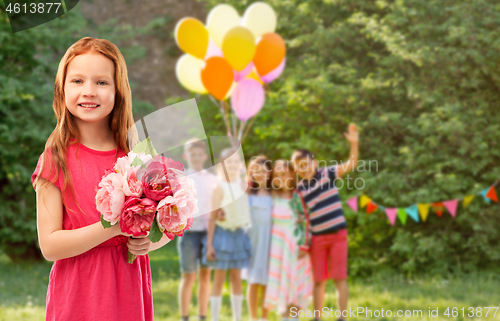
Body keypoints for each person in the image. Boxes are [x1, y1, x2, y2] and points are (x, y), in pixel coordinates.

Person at [31, 37, 172, 321]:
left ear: (119, 90)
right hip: (78, 296)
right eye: (78, 81)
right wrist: (114, 227)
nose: (89, 91)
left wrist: (149, 243)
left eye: (102, 82)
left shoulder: (138, 154)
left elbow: (166, 226)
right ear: (62, 89)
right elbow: (49, 245)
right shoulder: (55, 157)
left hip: (128, 290)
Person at [291, 124, 359, 321]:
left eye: (307, 164)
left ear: (315, 162)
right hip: (317, 239)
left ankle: (342, 317)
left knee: (339, 277)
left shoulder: (327, 173)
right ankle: (317, 317)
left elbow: (351, 164)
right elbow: (299, 216)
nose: (304, 169)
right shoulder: (300, 190)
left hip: (338, 235)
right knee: (319, 280)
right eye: (299, 167)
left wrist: (354, 144)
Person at [202, 147, 252, 321]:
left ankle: (237, 317)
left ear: (240, 164)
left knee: (237, 277)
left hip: (239, 236)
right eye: (228, 162)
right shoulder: (219, 187)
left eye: (235, 161)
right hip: (222, 237)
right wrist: (209, 245)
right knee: (219, 278)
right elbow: (212, 217)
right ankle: (215, 317)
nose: (232, 164)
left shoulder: (244, 185)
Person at [264, 160, 313, 320]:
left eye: (283, 174)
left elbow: (305, 220)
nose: (280, 178)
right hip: (277, 245)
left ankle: (294, 317)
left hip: (294, 243)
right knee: (280, 281)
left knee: (295, 279)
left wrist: (305, 245)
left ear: (291, 174)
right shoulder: (273, 195)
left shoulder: (297, 195)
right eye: (277, 175)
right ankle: (285, 316)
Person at [178, 138, 219, 321]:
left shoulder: (212, 180)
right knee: (188, 276)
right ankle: (185, 316)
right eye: (191, 154)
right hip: (188, 234)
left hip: (208, 233)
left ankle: (203, 315)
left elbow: (215, 206)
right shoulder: (182, 177)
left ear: (204, 156)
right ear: (186, 156)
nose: (195, 157)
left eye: (199, 154)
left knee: (205, 276)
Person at [243, 155, 273, 321]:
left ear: (269, 172)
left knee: (267, 280)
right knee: (253, 280)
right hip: (252, 240)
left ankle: (264, 317)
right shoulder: (247, 193)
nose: (261, 174)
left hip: (269, 240)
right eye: (257, 171)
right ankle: (254, 317)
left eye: (264, 171)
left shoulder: (273, 193)